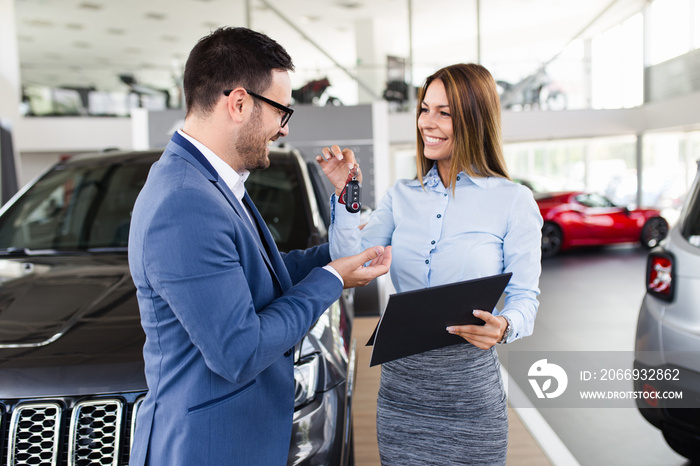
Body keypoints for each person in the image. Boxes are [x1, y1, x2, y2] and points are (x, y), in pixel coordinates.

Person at [127, 27, 391, 466]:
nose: (283, 130)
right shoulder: (184, 201)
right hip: (209, 448)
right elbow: (240, 351)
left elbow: (260, 273)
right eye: (282, 112)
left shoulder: (212, 183)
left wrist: (339, 247)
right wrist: (331, 279)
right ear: (239, 103)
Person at [317, 63, 542, 465]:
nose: (427, 123)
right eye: (424, 109)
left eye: (444, 112)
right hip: (402, 397)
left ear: (474, 119)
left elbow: (525, 296)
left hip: (471, 399)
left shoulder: (513, 201)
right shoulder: (401, 196)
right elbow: (349, 263)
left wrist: (505, 326)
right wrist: (346, 193)